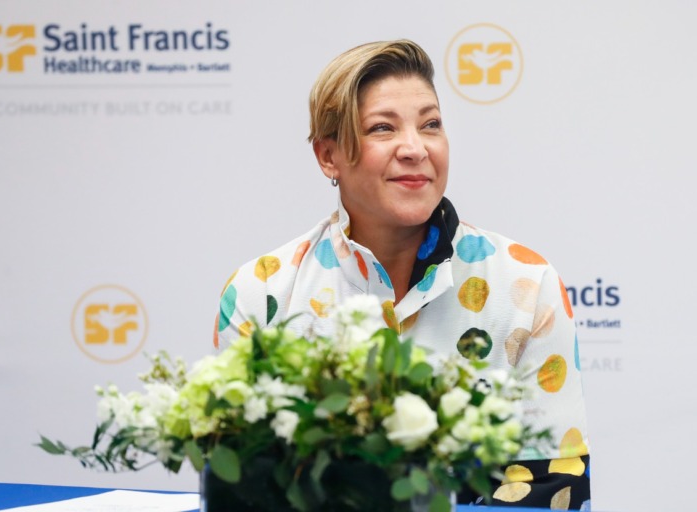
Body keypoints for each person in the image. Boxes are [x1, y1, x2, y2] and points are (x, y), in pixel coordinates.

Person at [214, 39, 590, 509]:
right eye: (382, 128)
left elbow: (553, 488)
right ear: (328, 155)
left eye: (430, 124)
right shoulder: (261, 291)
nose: (414, 148)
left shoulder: (526, 283)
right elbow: (245, 489)